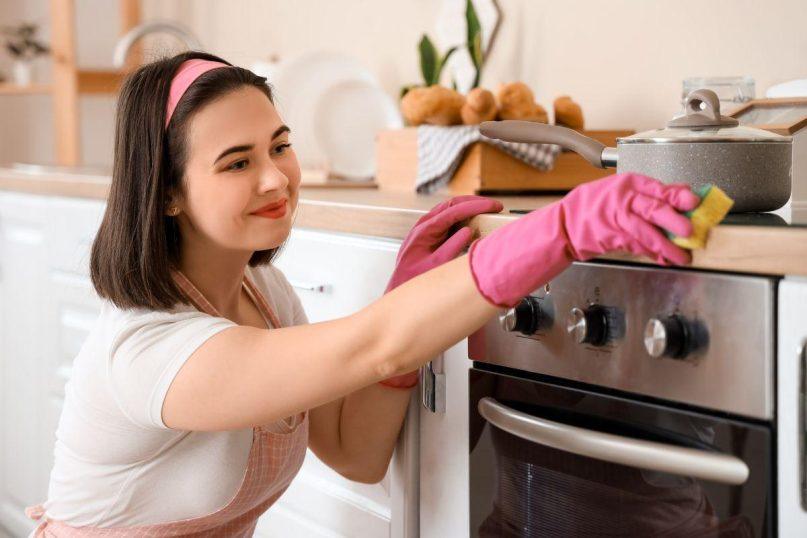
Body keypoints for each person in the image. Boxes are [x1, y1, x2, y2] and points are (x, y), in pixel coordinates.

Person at [26, 51, 698, 536]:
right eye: (237, 162)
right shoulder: (148, 351)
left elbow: (355, 452)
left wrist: (409, 301)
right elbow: (374, 345)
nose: (275, 179)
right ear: (166, 193)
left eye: (279, 146)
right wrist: (559, 229)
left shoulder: (264, 294)